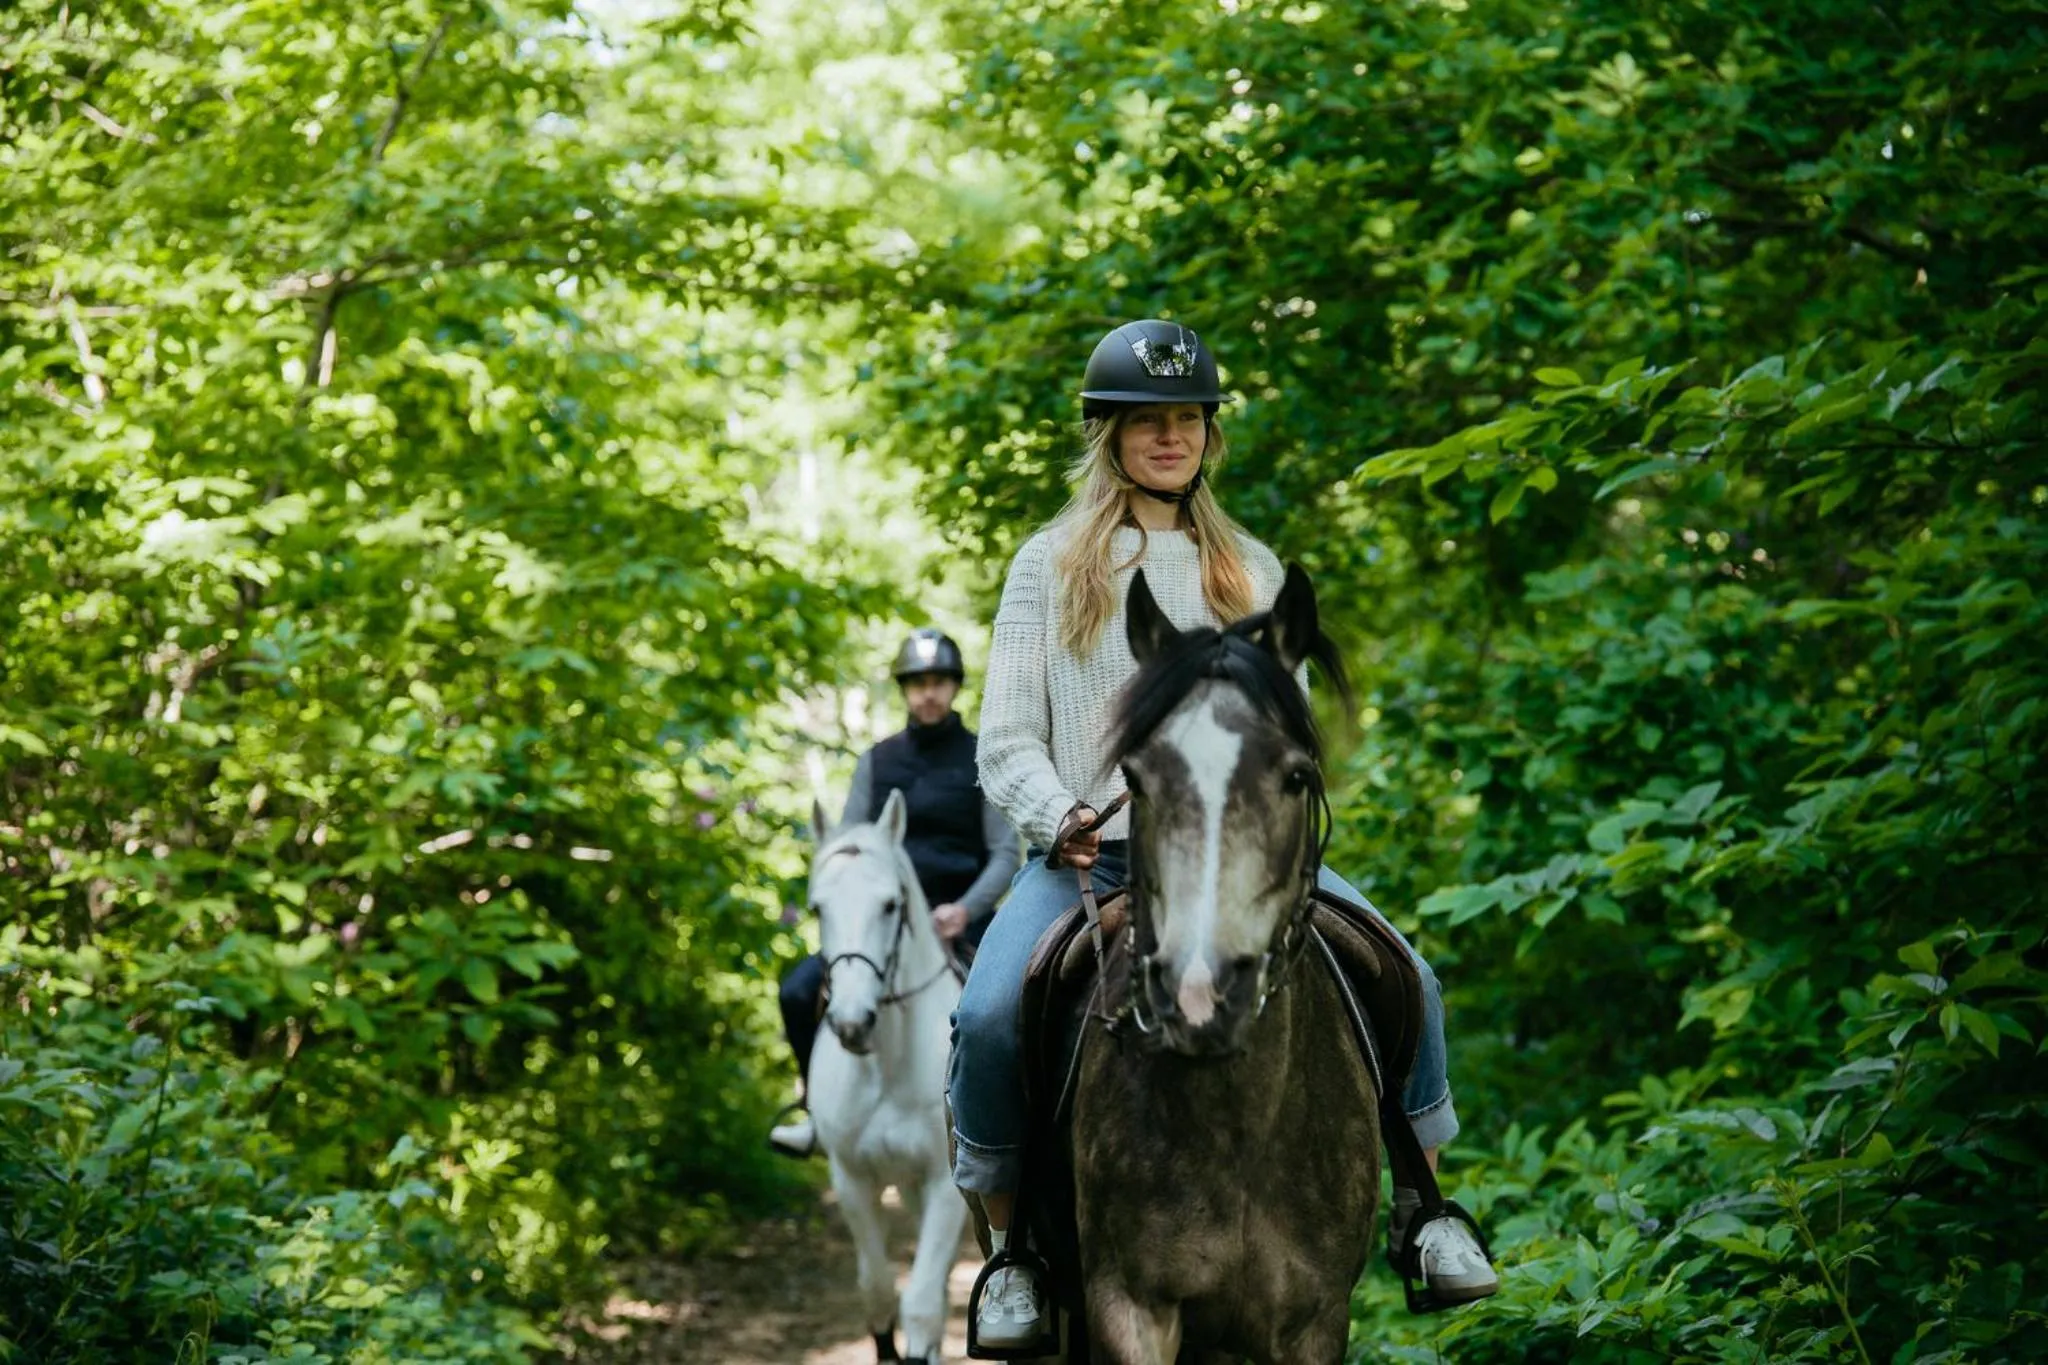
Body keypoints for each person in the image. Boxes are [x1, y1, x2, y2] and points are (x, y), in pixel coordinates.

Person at [953, 320, 1499, 1349]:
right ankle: (1012, 1251)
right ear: (1107, 435)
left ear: (1209, 435)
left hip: (1241, 856)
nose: (1170, 439)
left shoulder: (1246, 566)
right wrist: (1056, 814)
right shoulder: (1049, 567)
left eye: (1186, 421)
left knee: (1406, 977)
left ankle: (1427, 1211)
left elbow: (1283, 729)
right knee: (987, 1015)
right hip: (1092, 855)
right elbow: (1005, 735)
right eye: (1147, 422)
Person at [770, 629, 1024, 1158]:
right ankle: (814, 1112)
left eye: (937, 682)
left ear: (953, 687)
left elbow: (1005, 853)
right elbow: (847, 847)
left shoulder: (983, 758)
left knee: (1004, 1007)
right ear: (905, 690)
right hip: (877, 925)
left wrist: (965, 910)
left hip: (959, 919)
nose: (927, 693)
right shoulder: (877, 762)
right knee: (797, 991)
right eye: (917, 684)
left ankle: (1009, 1127)